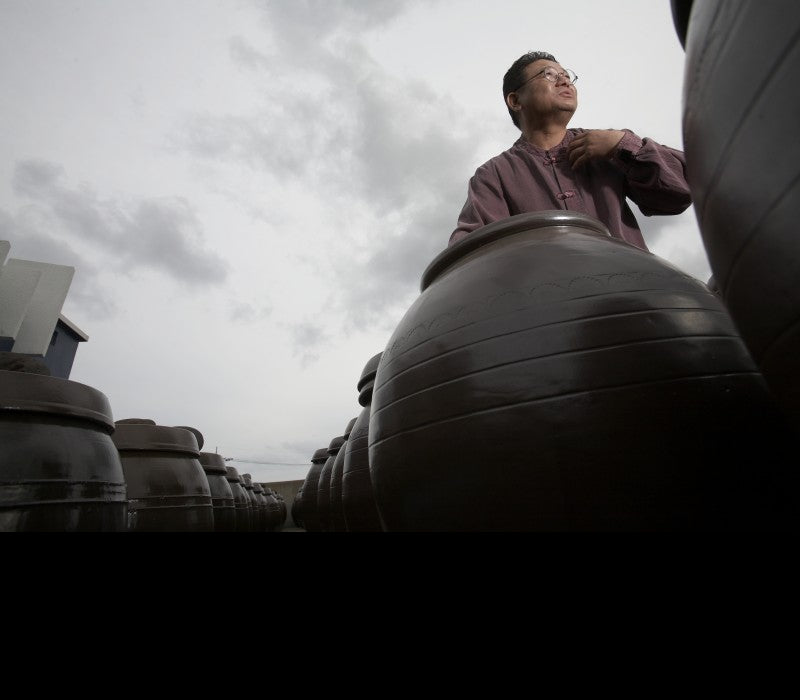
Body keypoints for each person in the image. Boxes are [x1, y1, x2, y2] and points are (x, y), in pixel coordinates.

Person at [449, 51, 691, 248]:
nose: (564, 81)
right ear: (515, 101)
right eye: (549, 74)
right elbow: (471, 251)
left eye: (567, 76)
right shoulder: (494, 175)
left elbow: (681, 191)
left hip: (635, 288)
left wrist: (624, 145)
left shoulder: (610, 145)